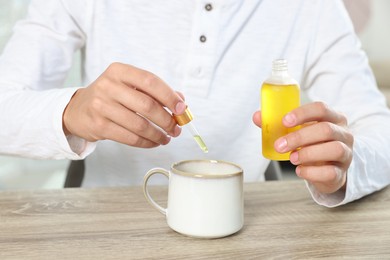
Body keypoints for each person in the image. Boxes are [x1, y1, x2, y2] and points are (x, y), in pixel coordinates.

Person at [0, 0, 389, 208]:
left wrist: (346, 163)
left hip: (244, 225)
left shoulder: (313, 8)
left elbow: (379, 132)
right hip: (101, 225)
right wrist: (72, 111)